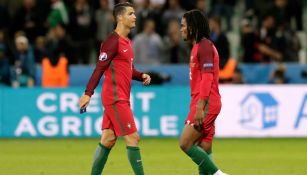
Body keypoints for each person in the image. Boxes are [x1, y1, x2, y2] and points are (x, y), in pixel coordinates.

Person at [79, 2, 151, 175]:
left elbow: (127, 69)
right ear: (120, 17)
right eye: (131, 13)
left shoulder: (126, 42)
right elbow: (99, 68)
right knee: (133, 138)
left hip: (121, 96)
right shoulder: (112, 42)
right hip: (115, 97)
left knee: (108, 139)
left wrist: (140, 75)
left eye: (134, 13)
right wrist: (88, 93)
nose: (135, 16)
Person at [179, 10, 228, 175]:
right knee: (204, 148)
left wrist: (200, 105)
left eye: (183, 26)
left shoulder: (205, 45)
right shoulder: (198, 47)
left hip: (205, 102)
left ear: (192, 27)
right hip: (205, 101)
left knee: (185, 143)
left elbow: (208, 77)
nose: (181, 29)